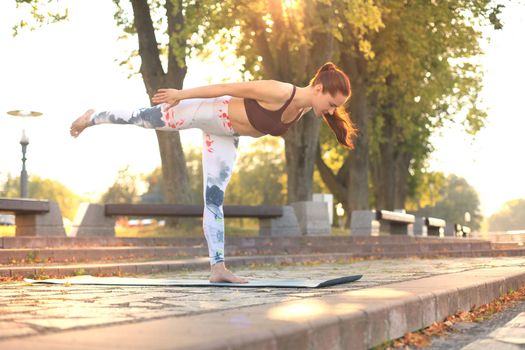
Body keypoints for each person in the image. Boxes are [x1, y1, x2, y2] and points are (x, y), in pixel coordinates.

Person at [70, 62, 355, 283]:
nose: (332, 111)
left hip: (225, 134)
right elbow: (225, 87)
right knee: (144, 118)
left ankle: (217, 267)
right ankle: (92, 117)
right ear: (318, 89)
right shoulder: (280, 91)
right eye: (332, 104)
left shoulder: (302, 109)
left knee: (215, 198)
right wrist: (182, 95)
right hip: (207, 110)